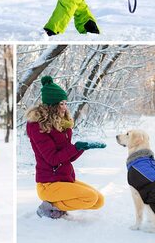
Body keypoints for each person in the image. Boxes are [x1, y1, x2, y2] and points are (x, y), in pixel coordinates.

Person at [26, 76, 106, 218]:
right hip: (48, 184)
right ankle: (48, 207)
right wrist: (75, 148)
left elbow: (68, 157)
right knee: (90, 197)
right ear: (51, 106)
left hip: (64, 178)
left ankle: (56, 206)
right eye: (61, 104)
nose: (65, 107)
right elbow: (53, 159)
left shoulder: (63, 125)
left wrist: (82, 147)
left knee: (99, 201)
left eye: (65, 103)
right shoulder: (38, 127)